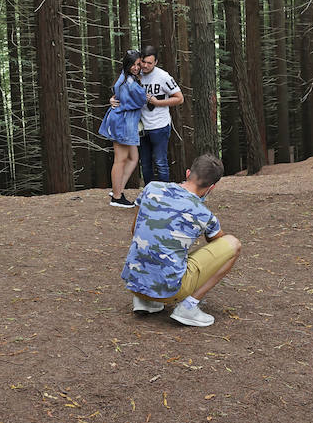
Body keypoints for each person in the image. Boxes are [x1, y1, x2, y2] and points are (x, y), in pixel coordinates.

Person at [120, 153, 242, 327]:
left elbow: (135, 230)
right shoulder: (204, 215)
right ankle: (188, 307)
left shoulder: (151, 188)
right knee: (233, 245)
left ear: (187, 173)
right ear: (212, 187)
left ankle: (145, 300)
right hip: (169, 291)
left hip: (134, 281)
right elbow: (219, 244)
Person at [97, 50, 146, 208]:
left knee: (133, 158)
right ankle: (117, 197)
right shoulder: (129, 83)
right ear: (127, 64)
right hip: (123, 123)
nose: (136, 67)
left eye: (138, 64)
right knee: (120, 160)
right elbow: (141, 100)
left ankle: (118, 189)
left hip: (124, 122)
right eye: (133, 64)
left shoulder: (126, 78)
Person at [136, 45, 183, 184]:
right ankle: (149, 194)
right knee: (145, 163)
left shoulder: (163, 76)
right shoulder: (136, 74)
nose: (145, 65)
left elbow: (179, 98)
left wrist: (157, 103)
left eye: (149, 63)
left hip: (160, 126)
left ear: (155, 62)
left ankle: (164, 195)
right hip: (142, 127)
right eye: (143, 62)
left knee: (160, 161)